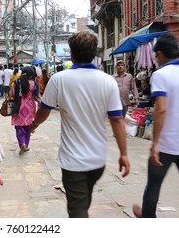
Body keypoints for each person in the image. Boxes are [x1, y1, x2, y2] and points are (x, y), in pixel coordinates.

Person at [29, 31, 130, 218]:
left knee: (77, 210)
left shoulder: (59, 79)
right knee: (83, 202)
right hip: (97, 161)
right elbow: (117, 119)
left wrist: (33, 125)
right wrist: (123, 154)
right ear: (95, 54)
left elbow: (44, 111)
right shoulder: (107, 81)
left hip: (72, 161)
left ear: (72, 54)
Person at [132, 32, 179, 218]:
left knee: (154, 184)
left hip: (166, 144)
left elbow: (160, 110)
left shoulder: (161, 75)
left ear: (160, 53)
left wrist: (155, 144)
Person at [10, 66, 40, 156]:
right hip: (30, 108)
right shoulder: (34, 84)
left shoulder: (16, 82)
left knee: (19, 127)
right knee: (28, 128)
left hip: (18, 107)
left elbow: (11, 94)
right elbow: (36, 97)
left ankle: (22, 144)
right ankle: (26, 145)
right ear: (31, 75)